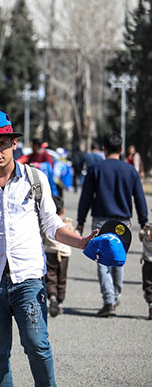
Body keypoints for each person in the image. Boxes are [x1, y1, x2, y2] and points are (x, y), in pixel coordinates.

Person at [0, 109, 96, 387]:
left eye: (2, 143)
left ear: (13, 143)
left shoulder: (35, 180)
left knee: (38, 345)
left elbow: (52, 224)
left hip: (29, 280)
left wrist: (80, 242)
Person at [77, 132, 148, 317]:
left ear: (104, 148)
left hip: (101, 220)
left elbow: (86, 198)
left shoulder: (95, 169)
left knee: (102, 261)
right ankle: (115, 297)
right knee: (118, 260)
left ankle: (108, 301)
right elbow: (139, 198)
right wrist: (143, 221)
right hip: (122, 223)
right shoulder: (130, 170)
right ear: (122, 149)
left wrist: (80, 221)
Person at [43, 195, 74, 317]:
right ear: (63, 210)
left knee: (50, 276)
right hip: (64, 254)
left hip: (50, 252)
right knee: (62, 277)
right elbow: (73, 234)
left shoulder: (46, 224)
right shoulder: (67, 223)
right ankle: (60, 302)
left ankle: (52, 296)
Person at [138, 219, 152, 320]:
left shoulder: (147, 229)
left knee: (148, 285)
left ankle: (151, 306)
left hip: (148, 262)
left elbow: (141, 236)